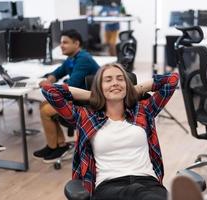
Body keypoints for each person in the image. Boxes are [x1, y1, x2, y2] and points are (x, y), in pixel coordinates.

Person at [41, 63, 179, 199]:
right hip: (109, 187)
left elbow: (172, 79)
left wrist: (134, 90)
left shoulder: (144, 110)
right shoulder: (86, 117)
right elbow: (49, 90)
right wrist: (93, 95)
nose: (115, 83)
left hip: (147, 183)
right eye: (108, 80)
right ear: (99, 87)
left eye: (120, 79)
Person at [33, 29, 100, 163]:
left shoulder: (83, 59)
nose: (61, 45)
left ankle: (55, 148)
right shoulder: (72, 58)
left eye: (65, 42)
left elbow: (71, 85)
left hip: (89, 103)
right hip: (78, 97)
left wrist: (49, 86)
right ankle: (58, 146)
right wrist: (49, 80)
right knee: (44, 105)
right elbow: (58, 72)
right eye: (61, 42)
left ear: (76, 43)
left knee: (46, 110)